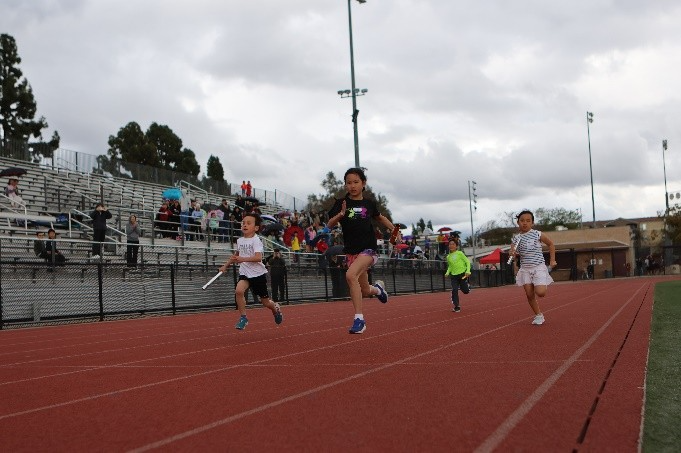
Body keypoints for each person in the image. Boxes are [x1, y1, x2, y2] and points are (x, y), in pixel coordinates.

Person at [327, 167, 396, 334]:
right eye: (349, 183)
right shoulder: (340, 203)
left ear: (363, 183)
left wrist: (395, 231)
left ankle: (359, 320)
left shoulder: (369, 204)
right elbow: (329, 225)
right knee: (365, 290)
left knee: (350, 275)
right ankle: (378, 289)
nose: (352, 186)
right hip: (352, 251)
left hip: (369, 249)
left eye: (356, 182)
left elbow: (380, 217)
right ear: (345, 185)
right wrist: (340, 215)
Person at [219, 213, 283, 330]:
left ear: (256, 228)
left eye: (249, 223)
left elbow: (258, 258)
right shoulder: (240, 241)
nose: (245, 225)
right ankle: (244, 317)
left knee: (265, 302)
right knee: (238, 291)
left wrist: (242, 259)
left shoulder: (256, 240)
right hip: (245, 273)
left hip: (258, 274)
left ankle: (275, 309)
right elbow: (236, 255)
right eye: (243, 223)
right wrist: (225, 265)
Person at [508, 210, 557, 326]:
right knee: (529, 295)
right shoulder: (516, 239)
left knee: (540, 293)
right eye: (522, 221)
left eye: (528, 221)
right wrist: (512, 253)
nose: (525, 223)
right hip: (525, 269)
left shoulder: (537, 234)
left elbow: (551, 244)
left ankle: (539, 282)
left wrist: (552, 260)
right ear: (518, 222)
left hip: (538, 266)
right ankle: (539, 315)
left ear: (532, 223)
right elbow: (513, 254)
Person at [444, 239, 471, 312]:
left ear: (456, 246)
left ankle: (467, 287)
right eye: (450, 244)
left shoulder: (460, 253)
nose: (451, 245)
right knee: (454, 290)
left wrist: (468, 271)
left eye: (453, 244)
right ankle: (457, 306)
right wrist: (447, 273)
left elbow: (467, 262)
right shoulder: (448, 257)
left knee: (465, 291)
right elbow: (450, 266)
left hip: (462, 275)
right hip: (454, 276)